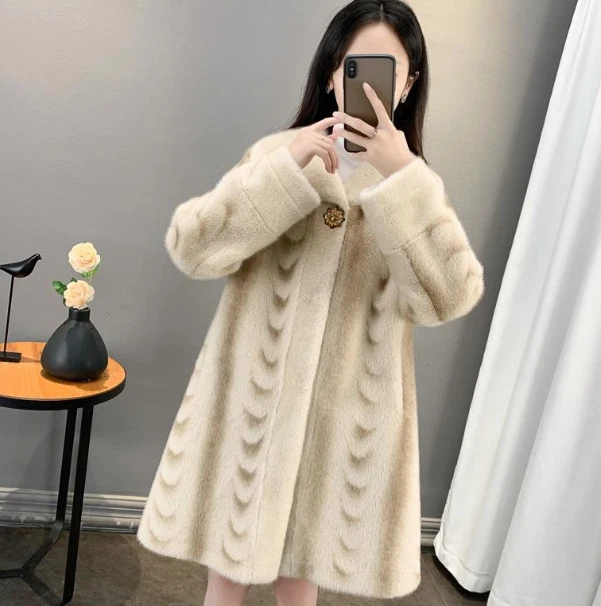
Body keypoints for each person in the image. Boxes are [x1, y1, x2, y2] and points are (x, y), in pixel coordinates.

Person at [136, 1, 485, 605]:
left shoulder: (412, 186)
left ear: (408, 84)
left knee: (300, 579)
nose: (371, 85)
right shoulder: (278, 154)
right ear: (331, 74)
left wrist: (402, 176)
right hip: (250, 409)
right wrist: (282, 171)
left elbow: (449, 297)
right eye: (356, 66)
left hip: (341, 421)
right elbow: (193, 248)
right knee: (226, 577)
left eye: (389, 70)